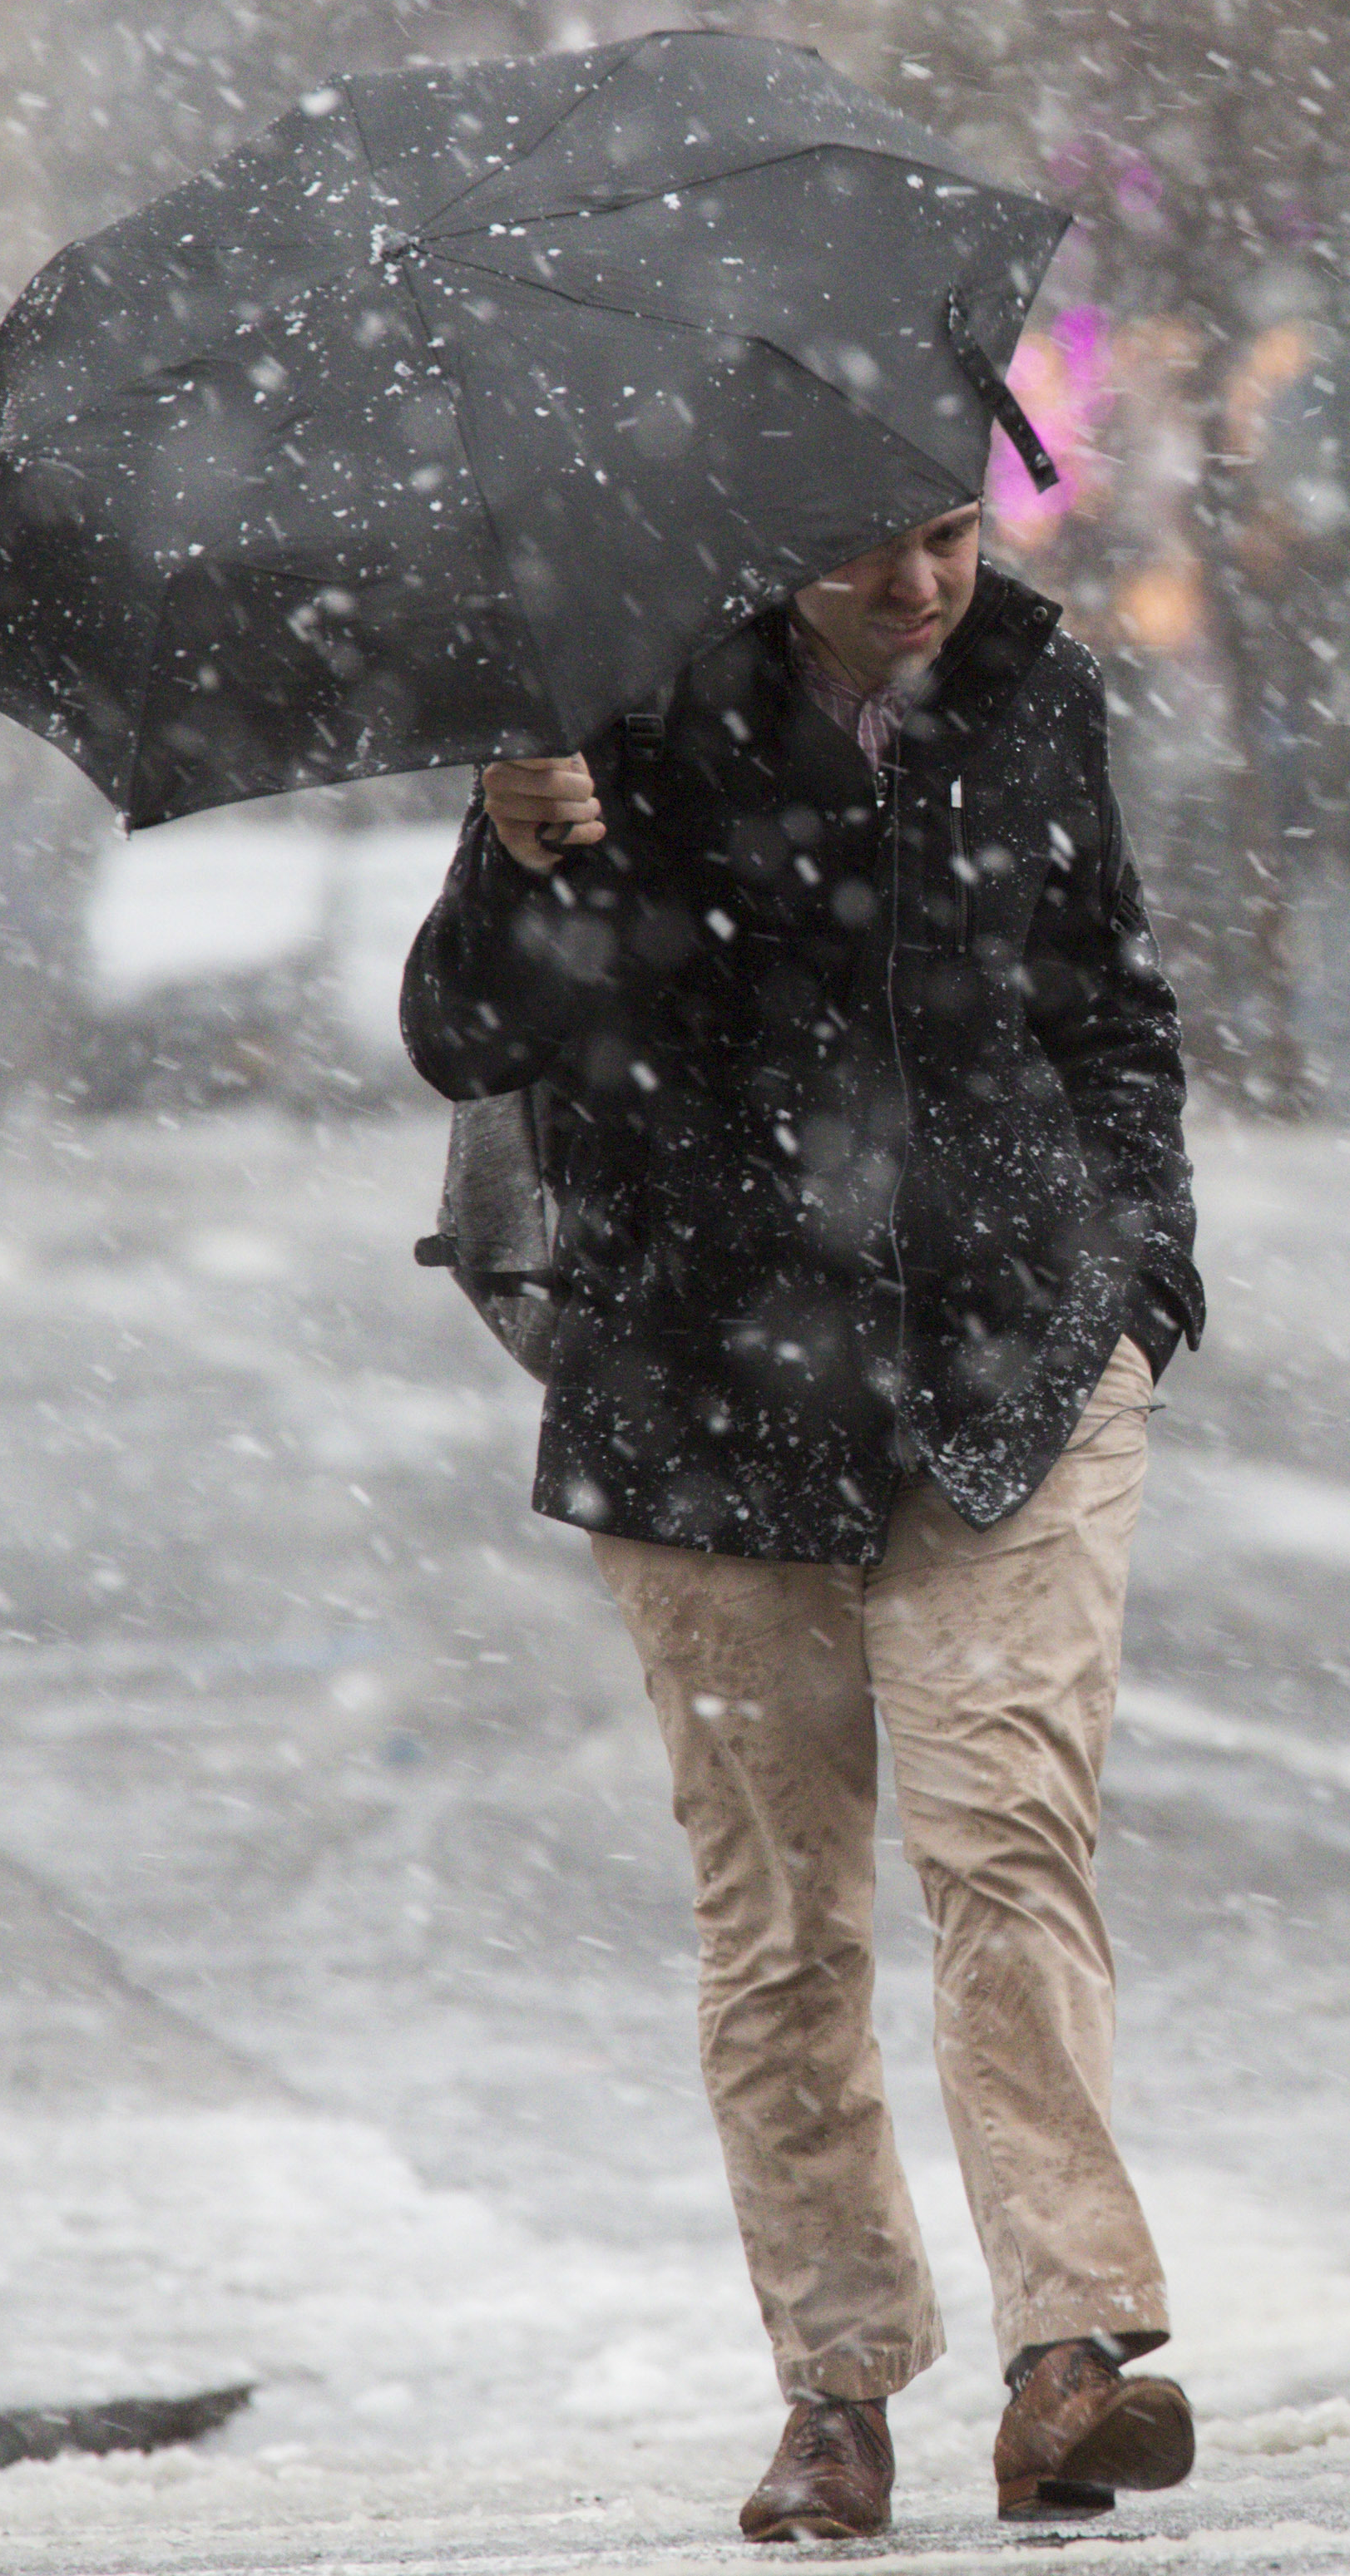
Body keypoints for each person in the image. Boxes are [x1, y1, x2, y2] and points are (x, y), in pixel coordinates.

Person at [403, 502, 1210, 2542]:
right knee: (778, 1917)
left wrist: (1141, 1266)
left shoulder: (1031, 682)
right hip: (703, 1377)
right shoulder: (609, 702)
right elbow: (463, 1032)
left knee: (1003, 1822)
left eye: (946, 533)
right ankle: (836, 2386)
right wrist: (521, 852)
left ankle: (1070, 2348)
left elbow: (1105, 994)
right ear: (769, 550)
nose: (920, 586)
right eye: (868, 558)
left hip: (1010, 1349)